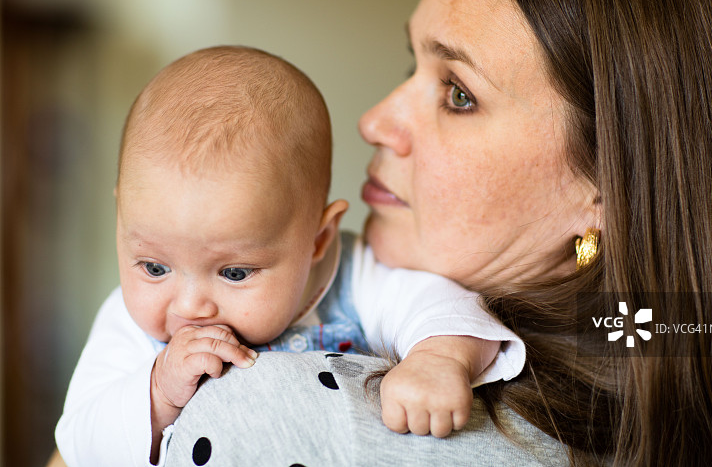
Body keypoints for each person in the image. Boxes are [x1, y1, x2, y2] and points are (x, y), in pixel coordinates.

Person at [157, 0, 712, 466]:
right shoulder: (699, 365)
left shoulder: (277, 411)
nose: (376, 120)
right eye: (409, 65)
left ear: (606, 186)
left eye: (458, 94)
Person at [54, 46, 526, 466]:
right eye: (154, 267)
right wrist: (157, 393)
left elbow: (441, 305)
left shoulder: (351, 276)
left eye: (235, 272)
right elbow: (78, 445)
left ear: (318, 240)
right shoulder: (129, 326)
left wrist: (439, 358)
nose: (190, 307)